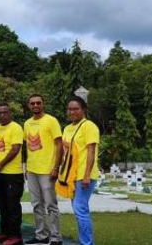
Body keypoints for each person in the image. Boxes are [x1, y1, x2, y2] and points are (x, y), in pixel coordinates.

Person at [23, 95, 63, 245]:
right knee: (36, 204)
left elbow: (59, 145)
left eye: (38, 102)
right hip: (32, 170)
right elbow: (27, 147)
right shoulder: (27, 124)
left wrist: (56, 167)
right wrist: (26, 168)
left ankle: (56, 237)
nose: (35, 105)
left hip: (47, 170)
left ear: (43, 104)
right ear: (29, 105)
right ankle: (41, 235)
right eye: (32, 103)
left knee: (51, 204)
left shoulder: (51, 121)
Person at [61, 96, 99, 245]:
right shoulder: (67, 128)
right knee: (79, 210)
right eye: (69, 109)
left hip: (84, 175)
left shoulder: (88, 126)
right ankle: (84, 241)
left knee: (80, 209)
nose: (72, 112)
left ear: (83, 110)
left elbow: (91, 151)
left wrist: (87, 176)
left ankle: (87, 243)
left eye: (76, 108)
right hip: (72, 175)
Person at [0, 103, 24, 245]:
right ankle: (4, 232)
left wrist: (1, 164)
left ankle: (15, 235)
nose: (2, 115)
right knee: (2, 203)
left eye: (5, 112)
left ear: (10, 113)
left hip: (12, 174)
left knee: (12, 205)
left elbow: (15, 149)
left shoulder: (16, 127)